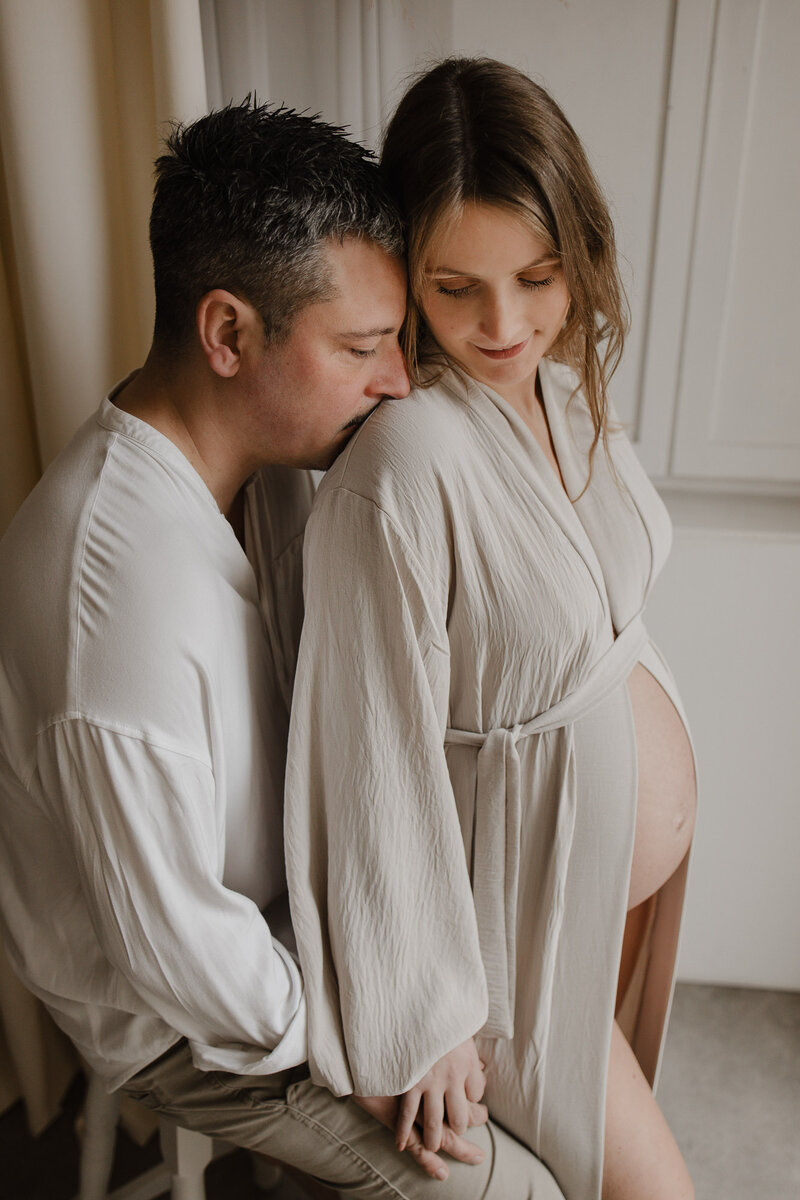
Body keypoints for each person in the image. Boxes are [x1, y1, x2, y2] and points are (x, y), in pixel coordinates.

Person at [0, 100, 563, 1198]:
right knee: (520, 1192)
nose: (396, 382)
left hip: (285, 915)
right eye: (360, 349)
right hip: (188, 1018)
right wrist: (382, 1034)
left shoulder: (254, 468)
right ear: (226, 334)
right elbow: (180, 958)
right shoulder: (114, 613)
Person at [285, 58, 697, 1200]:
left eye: (537, 276)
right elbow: (368, 746)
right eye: (453, 286)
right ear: (401, 274)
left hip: (595, 893)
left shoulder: (560, 397)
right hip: (510, 926)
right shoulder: (402, 466)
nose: (501, 323)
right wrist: (424, 1013)